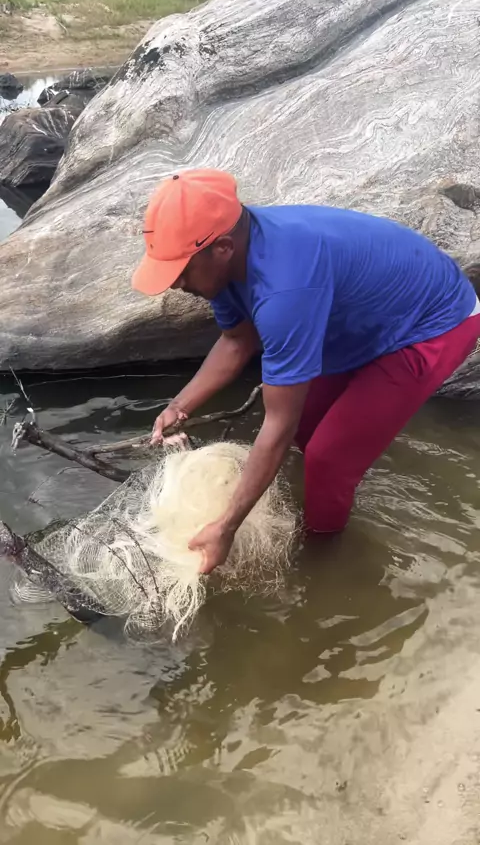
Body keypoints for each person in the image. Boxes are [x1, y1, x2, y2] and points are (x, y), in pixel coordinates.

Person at [132, 168, 480, 574]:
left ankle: (322, 556)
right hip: (363, 316)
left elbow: (277, 426)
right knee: (309, 424)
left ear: (222, 248)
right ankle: (334, 492)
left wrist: (226, 527)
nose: (175, 284)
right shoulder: (228, 262)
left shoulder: (285, 290)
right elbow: (237, 341)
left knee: (328, 459)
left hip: (432, 323)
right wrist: (180, 405)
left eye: (180, 271)